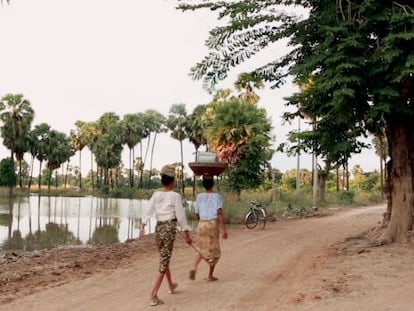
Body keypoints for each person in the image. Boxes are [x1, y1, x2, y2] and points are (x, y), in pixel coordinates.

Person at [140, 164, 192, 307]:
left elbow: (148, 211)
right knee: (164, 260)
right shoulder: (175, 196)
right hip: (169, 229)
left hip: (159, 228)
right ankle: (153, 295)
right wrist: (187, 235)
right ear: (172, 180)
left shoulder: (156, 195)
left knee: (164, 257)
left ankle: (171, 285)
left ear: (162, 180)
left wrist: (143, 225)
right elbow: (181, 218)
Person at [189, 175, 228, 282]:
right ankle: (210, 275)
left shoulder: (199, 196)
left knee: (202, 248)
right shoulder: (217, 197)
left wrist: (200, 223)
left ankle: (194, 266)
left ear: (203, 185)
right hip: (212, 224)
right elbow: (220, 213)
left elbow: (196, 213)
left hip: (202, 224)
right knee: (213, 251)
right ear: (213, 184)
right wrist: (224, 229)